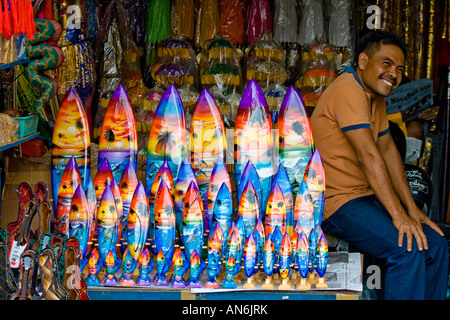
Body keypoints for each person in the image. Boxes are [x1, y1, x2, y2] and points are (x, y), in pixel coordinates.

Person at [310, 30, 448, 300]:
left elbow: (387, 150)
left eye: (399, 69)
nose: (394, 74)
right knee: (407, 248)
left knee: (436, 245)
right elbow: (369, 156)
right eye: (386, 64)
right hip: (337, 204)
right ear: (363, 61)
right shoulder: (348, 89)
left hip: (364, 198)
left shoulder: (375, 97)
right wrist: (398, 215)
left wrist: (412, 210)